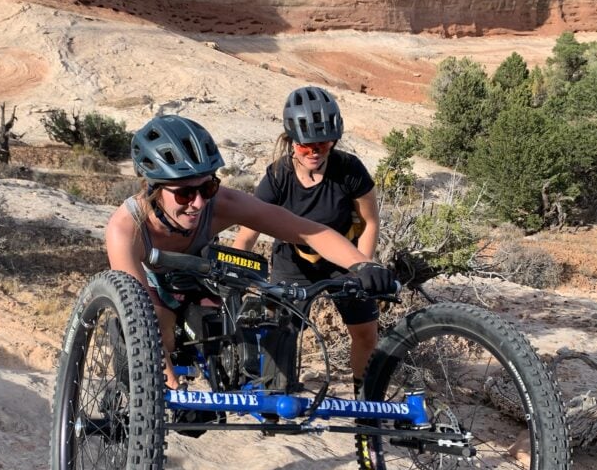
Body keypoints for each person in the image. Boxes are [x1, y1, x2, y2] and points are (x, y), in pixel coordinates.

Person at [105, 113, 395, 390]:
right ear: (154, 188)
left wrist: (362, 265)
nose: (197, 203)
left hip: (200, 279)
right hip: (152, 289)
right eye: (183, 193)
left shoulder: (222, 203)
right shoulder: (126, 228)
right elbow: (138, 318)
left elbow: (308, 231)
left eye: (207, 188)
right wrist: (168, 383)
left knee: (225, 341)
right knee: (158, 335)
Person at [232, 86, 380, 397]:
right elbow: (247, 233)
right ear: (292, 142)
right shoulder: (278, 175)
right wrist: (233, 273)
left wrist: (364, 267)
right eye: (305, 146)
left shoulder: (349, 169)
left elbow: (369, 222)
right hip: (294, 260)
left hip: (343, 257)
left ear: (334, 140)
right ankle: (275, 398)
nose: (314, 152)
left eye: (323, 144)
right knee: (281, 332)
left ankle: (366, 401)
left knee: (365, 332)